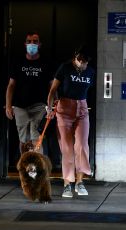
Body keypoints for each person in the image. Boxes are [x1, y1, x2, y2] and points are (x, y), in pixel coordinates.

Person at [46, 45, 95, 197]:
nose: (81, 63)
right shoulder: (65, 68)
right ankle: (67, 184)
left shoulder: (91, 72)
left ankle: (80, 182)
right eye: (79, 59)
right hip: (64, 109)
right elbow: (53, 90)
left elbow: (87, 92)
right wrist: (49, 108)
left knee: (81, 145)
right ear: (75, 57)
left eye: (84, 61)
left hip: (82, 109)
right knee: (67, 148)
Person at [5, 32, 52, 154]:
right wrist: (8, 105)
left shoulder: (46, 63)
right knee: (23, 139)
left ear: (39, 44)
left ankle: (38, 167)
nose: (32, 44)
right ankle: (25, 167)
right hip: (20, 106)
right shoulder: (18, 62)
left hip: (40, 106)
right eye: (29, 41)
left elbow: (52, 87)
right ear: (25, 44)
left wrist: (52, 106)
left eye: (35, 41)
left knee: (36, 137)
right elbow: (11, 85)